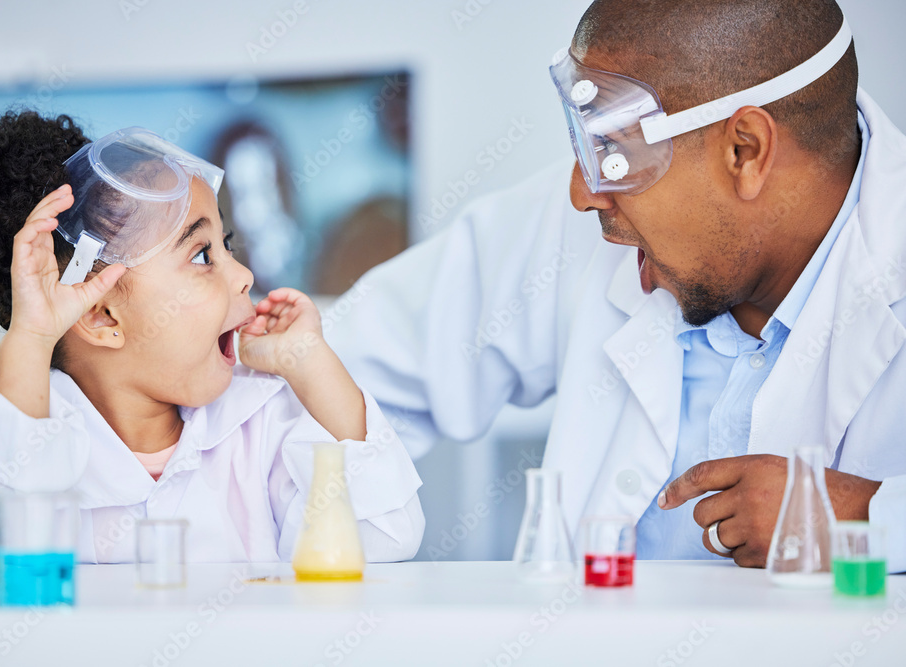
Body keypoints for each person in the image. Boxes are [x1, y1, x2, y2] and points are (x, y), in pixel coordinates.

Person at [326, 0, 906, 571]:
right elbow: (334, 368)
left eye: (617, 151)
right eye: (589, 145)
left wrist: (868, 518)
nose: (584, 193)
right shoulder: (574, 225)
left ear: (744, 151)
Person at [0, 109, 423, 574]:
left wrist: (313, 365)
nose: (245, 275)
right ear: (100, 315)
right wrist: (32, 338)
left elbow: (383, 537)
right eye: (203, 256)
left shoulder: (264, 420)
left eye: (226, 245)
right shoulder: (19, 439)